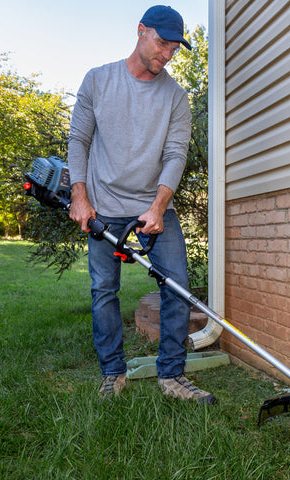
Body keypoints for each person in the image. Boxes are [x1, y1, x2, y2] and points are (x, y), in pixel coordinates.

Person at [68, 5, 216, 405]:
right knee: (104, 290)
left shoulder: (176, 98)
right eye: (162, 43)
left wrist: (158, 205)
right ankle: (112, 374)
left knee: (179, 289)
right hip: (102, 206)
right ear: (140, 32)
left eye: (174, 48)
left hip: (154, 208)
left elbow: (174, 155)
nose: (168, 54)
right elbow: (79, 141)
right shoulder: (99, 80)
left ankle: (172, 375)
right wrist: (79, 197)